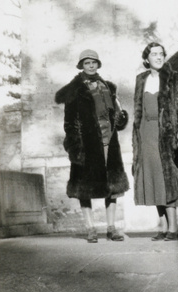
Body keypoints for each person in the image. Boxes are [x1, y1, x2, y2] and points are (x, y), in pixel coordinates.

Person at [55, 49, 129, 243]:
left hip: (108, 143)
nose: (91, 66)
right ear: (81, 66)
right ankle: (90, 228)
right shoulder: (74, 91)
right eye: (87, 63)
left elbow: (117, 118)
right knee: (84, 188)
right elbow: (69, 122)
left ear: (98, 64)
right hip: (85, 146)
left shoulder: (109, 87)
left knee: (112, 187)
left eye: (94, 62)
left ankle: (111, 228)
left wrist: (121, 119)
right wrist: (75, 148)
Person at [132, 42, 178, 241]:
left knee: (168, 179)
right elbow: (138, 110)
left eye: (161, 54)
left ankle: (174, 227)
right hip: (145, 134)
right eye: (154, 54)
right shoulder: (141, 79)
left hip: (166, 134)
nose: (158, 57)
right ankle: (164, 226)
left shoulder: (174, 79)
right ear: (146, 58)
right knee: (154, 178)